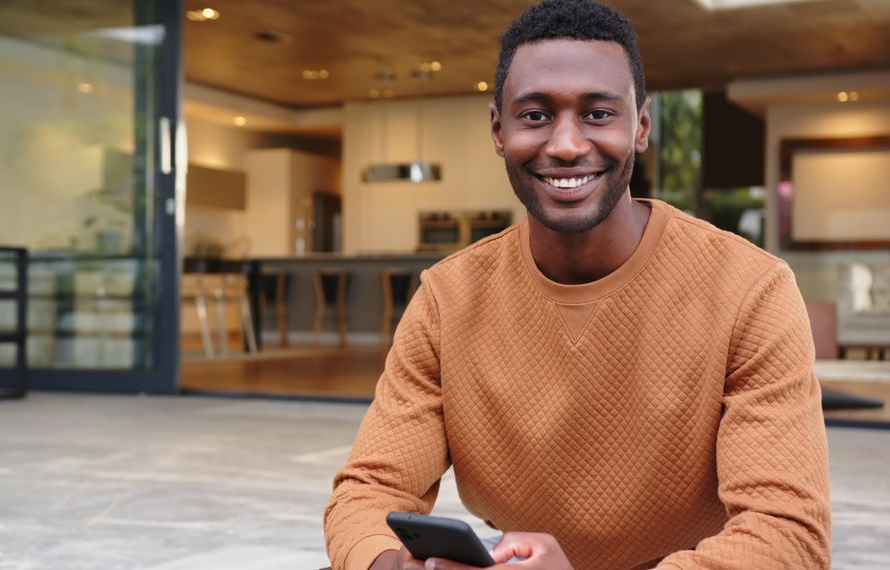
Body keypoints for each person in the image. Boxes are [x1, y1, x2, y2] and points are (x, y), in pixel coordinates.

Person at [324, 1, 831, 568]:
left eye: (597, 114)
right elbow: (368, 491)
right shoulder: (448, 298)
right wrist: (389, 564)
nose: (565, 144)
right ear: (499, 129)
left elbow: (788, 537)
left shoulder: (750, 289)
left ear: (640, 127)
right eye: (535, 115)